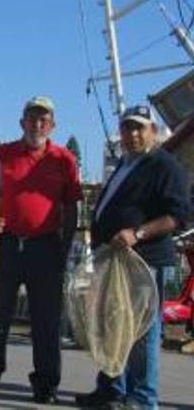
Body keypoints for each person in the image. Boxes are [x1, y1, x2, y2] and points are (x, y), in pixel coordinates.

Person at [76, 105, 190, 410]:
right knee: (113, 327)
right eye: (128, 128)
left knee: (141, 331)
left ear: (153, 131)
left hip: (144, 261)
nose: (133, 134)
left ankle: (142, 397)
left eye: (140, 128)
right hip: (114, 262)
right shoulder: (126, 164)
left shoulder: (164, 166)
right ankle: (112, 389)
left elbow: (177, 215)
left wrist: (137, 233)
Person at [0, 96, 83, 404]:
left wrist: (64, 247)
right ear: (22, 122)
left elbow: (71, 207)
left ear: (52, 125)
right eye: (32, 119)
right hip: (5, 244)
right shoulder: (2, 154)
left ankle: (46, 385)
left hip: (45, 248)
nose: (37, 124)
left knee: (46, 322)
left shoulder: (64, 159)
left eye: (43, 120)